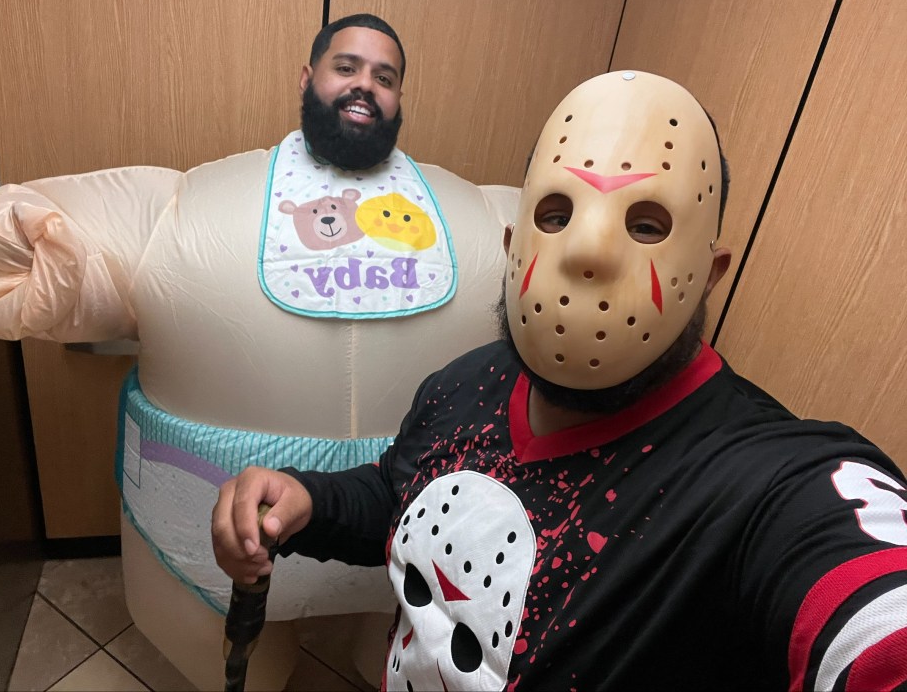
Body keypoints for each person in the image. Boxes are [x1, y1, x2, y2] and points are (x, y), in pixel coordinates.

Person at [212, 70, 907, 691]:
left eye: (646, 224)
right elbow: (399, 494)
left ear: (709, 273)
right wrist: (307, 502)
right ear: (513, 247)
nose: (589, 252)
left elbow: (867, 605)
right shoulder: (463, 385)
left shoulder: (761, 484)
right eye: (555, 215)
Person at [0, 14, 519, 689]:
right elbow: (1, 259)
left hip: (410, 525)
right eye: (346, 67)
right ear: (307, 78)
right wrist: (44, 246)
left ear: (399, 99)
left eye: (384, 76)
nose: (364, 85)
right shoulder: (189, 207)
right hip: (216, 526)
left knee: (392, 663)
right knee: (244, 669)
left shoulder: (478, 216)